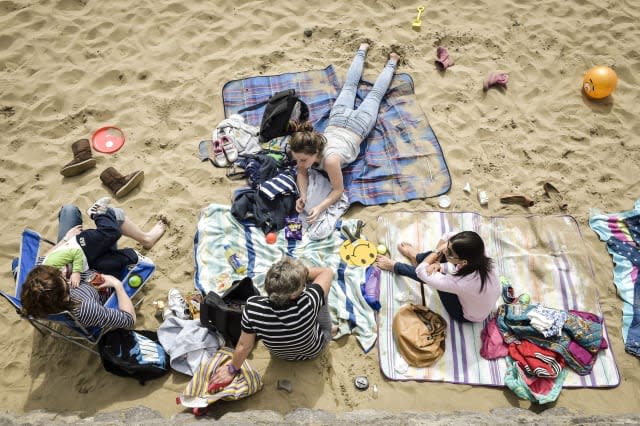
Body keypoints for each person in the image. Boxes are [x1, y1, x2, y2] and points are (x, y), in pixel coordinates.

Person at [289, 43, 400, 225]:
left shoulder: (330, 160)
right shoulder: (307, 150)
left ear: (315, 153)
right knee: (349, 87)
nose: (299, 163)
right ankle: (362, 50)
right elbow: (301, 172)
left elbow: (338, 190)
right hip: (338, 119)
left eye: (302, 159)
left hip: (358, 125)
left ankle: (392, 62)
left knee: (375, 95)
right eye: (297, 159)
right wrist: (302, 195)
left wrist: (320, 207)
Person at [20, 197, 166, 330]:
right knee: (112, 216)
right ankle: (145, 238)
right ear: (64, 296)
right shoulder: (84, 308)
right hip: (101, 271)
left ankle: (108, 221)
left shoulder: (38, 280)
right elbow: (129, 320)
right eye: (63, 280)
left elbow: (44, 259)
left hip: (80, 258)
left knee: (69, 210)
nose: (63, 276)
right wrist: (117, 285)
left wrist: (65, 239)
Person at [209, 257, 334, 386]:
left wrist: (232, 369)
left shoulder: (252, 308)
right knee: (322, 294)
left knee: (315, 295)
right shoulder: (308, 300)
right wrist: (300, 275)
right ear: (292, 295)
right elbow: (327, 272)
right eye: (301, 287)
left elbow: (244, 346)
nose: (303, 288)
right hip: (314, 350)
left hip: (281, 354)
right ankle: (330, 330)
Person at [375, 231, 500, 323]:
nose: (446, 251)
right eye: (447, 248)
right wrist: (440, 264)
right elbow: (449, 235)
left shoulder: (460, 283)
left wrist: (437, 252)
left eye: (450, 252)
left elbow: (421, 273)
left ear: (464, 262)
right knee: (435, 262)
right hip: (478, 302)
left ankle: (395, 266)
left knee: (429, 272)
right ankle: (418, 257)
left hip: (465, 315)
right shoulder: (480, 255)